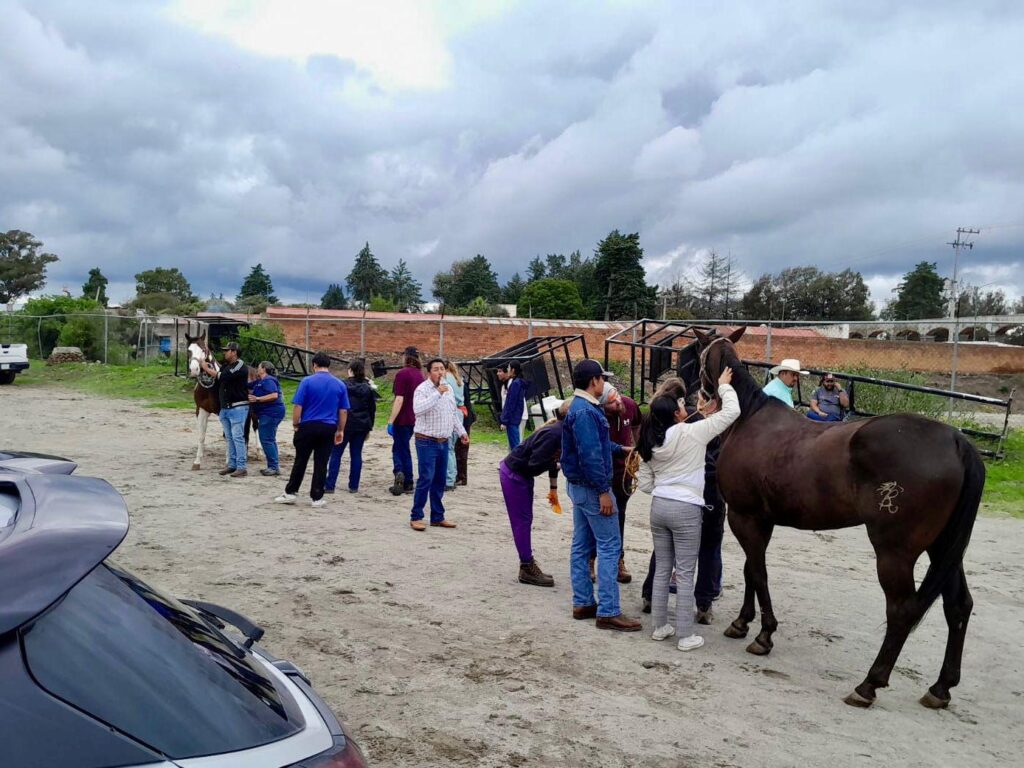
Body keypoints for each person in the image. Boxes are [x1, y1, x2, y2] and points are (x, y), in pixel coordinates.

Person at [636, 366, 739, 651]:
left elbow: (645, 484)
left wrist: (666, 486)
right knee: (684, 571)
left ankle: (660, 627)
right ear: (675, 413)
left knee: (662, 569)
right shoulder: (692, 432)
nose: (686, 406)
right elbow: (732, 412)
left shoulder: (650, 442)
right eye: (681, 404)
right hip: (686, 508)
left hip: (659, 506)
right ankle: (685, 635)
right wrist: (724, 385)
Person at [562, 359, 641, 632]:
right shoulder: (587, 411)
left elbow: (597, 444)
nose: (605, 383)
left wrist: (621, 449)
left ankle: (583, 602)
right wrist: (604, 491)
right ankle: (608, 610)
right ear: (594, 381)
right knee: (609, 545)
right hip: (592, 488)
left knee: (582, 544)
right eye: (602, 379)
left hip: (580, 487)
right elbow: (591, 455)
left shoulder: (580, 407)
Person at [500, 400, 568, 587]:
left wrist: (553, 489)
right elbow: (536, 464)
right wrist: (560, 465)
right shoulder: (555, 433)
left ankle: (527, 563)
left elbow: (553, 457)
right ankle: (526, 567)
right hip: (514, 474)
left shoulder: (560, 431)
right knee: (522, 521)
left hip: (520, 474)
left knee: (526, 519)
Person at [274, 352, 349, 508]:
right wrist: (340, 430)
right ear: (328, 365)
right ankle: (317, 497)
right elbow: (343, 411)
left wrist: (296, 424)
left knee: (300, 460)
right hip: (328, 426)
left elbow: (298, 405)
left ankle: (291, 492)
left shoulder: (307, 381)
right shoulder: (340, 384)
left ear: (314, 365)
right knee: (321, 463)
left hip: (308, 425)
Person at [409, 358, 469, 531]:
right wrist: (437, 393)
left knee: (440, 480)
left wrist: (462, 431)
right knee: (426, 478)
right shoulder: (422, 389)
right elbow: (418, 410)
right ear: (429, 372)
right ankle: (416, 516)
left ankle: (437, 516)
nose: (440, 372)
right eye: (436, 369)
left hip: (444, 440)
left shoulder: (448, 388)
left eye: (442, 369)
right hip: (426, 440)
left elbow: (452, 413)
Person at [597, 383, 641, 585]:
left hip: (624, 473)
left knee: (619, 516)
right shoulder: (597, 415)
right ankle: (591, 558)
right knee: (597, 516)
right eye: (612, 402)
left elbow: (637, 423)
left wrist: (637, 447)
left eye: (617, 396)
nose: (618, 402)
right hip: (603, 473)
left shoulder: (629, 404)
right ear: (603, 406)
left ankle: (618, 560)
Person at [325, 359, 379, 494]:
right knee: (356, 454)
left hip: (344, 423)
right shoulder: (367, 388)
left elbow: (336, 405)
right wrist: (370, 426)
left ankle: (330, 485)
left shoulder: (342, 385)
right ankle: (354, 485)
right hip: (361, 424)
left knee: (336, 453)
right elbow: (372, 409)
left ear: (350, 371)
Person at [201, 341, 249, 478]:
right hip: (227, 408)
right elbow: (218, 378)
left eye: (227, 350)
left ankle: (241, 467)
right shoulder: (227, 366)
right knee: (230, 438)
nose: (224, 352)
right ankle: (232, 465)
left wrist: (206, 368)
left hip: (237, 407)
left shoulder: (240, 365)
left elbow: (222, 377)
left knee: (237, 438)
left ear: (234, 352)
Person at [387, 347, 424, 496]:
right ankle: (406, 479)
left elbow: (399, 398)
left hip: (402, 418)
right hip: (415, 417)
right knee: (404, 447)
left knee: (399, 448)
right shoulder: (420, 375)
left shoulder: (402, 374)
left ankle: (401, 473)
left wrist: (391, 420)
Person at [247, 361, 286, 476]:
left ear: (264, 369)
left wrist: (257, 399)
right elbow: (247, 385)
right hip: (271, 413)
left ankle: (273, 467)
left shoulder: (268, 380)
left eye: (259, 367)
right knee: (270, 439)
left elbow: (274, 395)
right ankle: (273, 466)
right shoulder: (260, 381)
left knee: (266, 439)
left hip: (270, 413)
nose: (257, 369)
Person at [443, 360, 466, 491]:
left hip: (451, 412)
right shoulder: (458, 378)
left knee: (448, 448)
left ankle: (449, 480)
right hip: (460, 412)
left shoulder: (446, 379)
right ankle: (452, 476)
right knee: (451, 448)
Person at [500, 361, 528, 450]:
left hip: (513, 418)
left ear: (513, 370)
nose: (508, 370)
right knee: (514, 445)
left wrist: (505, 420)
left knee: (516, 446)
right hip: (515, 417)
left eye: (508, 368)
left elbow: (511, 403)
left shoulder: (516, 383)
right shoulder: (517, 382)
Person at [455, 373, 476, 486]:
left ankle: (461, 477)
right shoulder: (460, 383)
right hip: (465, 417)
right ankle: (460, 476)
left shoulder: (458, 384)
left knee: (461, 449)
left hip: (463, 418)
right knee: (460, 449)